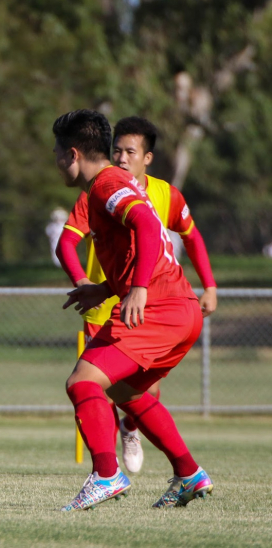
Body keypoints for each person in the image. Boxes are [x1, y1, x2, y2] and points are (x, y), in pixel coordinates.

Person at [51, 109, 213, 511]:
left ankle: (107, 474)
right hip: (180, 309)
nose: (55, 161)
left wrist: (137, 289)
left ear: (73, 153)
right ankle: (189, 473)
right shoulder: (112, 184)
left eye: (56, 152)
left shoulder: (106, 184)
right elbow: (140, 239)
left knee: (82, 383)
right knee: (126, 392)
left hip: (157, 306)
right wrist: (106, 287)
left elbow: (143, 223)